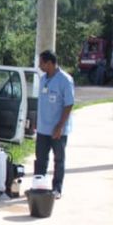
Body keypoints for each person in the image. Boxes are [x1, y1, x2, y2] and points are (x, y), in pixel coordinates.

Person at [34, 49, 75, 199]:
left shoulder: (65, 80)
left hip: (58, 130)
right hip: (43, 128)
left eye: (41, 63)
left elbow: (69, 104)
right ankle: (39, 186)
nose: (39, 66)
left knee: (58, 160)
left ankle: (57, 188)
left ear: (50, 63)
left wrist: (60, 125)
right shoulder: (44, 79)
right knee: (40, 160)